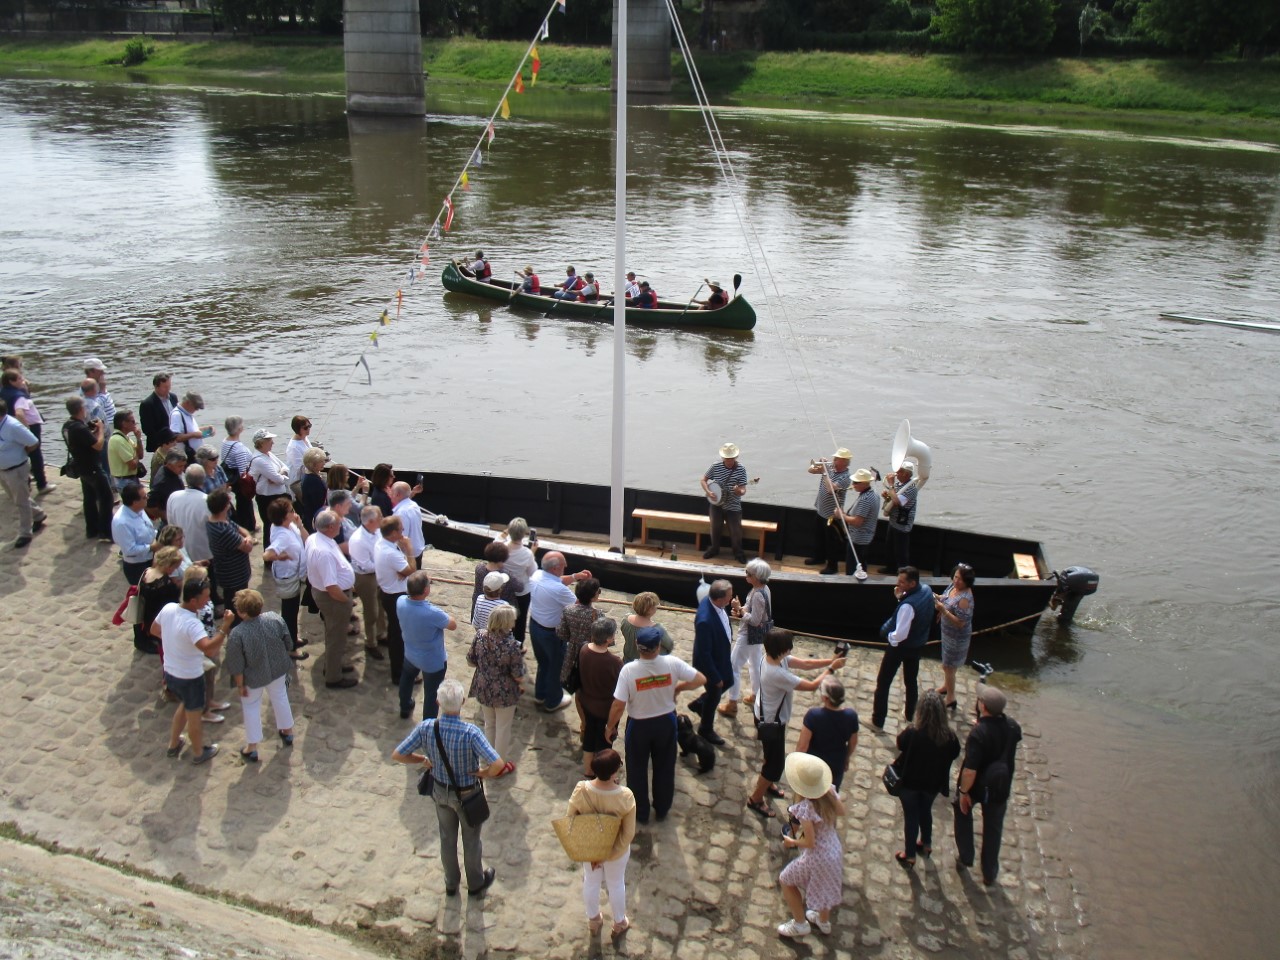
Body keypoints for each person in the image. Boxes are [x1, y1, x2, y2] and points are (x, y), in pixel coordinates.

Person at [391, 679, 505, 897]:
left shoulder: (427, 727)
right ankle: (475, 884)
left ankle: (451, 883)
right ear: (462, 702)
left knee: (447, 838)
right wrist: (483, 773)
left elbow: (398, 754)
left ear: (438, 702)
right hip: (468, 794)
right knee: (471, 842)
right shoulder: (471, 732)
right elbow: (498, 764)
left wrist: (422, 759)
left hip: (441, 791)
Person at [606, 626, 704, 824]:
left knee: (636, 769)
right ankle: (662, 807)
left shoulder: (629, 670)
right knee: (665, 766)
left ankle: (640, 812)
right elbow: (700, 679)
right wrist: (679, 687)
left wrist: (610, 726)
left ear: (637, 645)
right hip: (665, 721)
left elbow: (618, 704)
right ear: (658, 646)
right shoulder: (672, 663)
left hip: (639, 724)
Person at [746, 629, 845, 819]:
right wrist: (831, 669)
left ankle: (768, 783)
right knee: (775, 764)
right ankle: (756, 798)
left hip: (765, 713)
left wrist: (830, 661)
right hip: (772, 721)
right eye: (788, 648)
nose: (791, 650)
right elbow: (811, 686)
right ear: (782, 650)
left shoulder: (771, 658)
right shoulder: (776, 674)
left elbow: (806, 663)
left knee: (770, 756)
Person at [153, 575, 232, 765]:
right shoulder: (192, 624)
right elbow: (210, 648)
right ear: (193, 600)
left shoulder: (169, 609)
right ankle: (198, 752)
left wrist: (176, 643)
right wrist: (225, 627)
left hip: (171, 673)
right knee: (194, 715)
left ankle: (173, 744)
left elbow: (155, 630)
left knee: (185, 706)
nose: (208, 599)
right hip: (190, 676)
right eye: (205, 597)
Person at [955, 683, 1022, 886]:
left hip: (977, 787)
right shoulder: (1013, 727)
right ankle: (989, 873)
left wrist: (963, 791)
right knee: (993, 829)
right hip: (1000, 787)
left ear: (983, 706)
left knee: (962, 812)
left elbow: (969, 771)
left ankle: (966, 856)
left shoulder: (979, 735)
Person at [567, 749, 637, 939]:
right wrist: (608, 854)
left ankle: (593, 919)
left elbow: (570, 819)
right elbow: (628, 833)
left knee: (590, 881)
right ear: (615, 772)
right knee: (616, 884)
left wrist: (594, 852)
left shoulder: (581, 789)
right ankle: (619, 922)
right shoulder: (625, 796)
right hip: (616, 851)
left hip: (590, 848)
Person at [776, 752, 846, 939]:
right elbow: (841, 811)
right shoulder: (830, 792)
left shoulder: (807, 808)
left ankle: (799, 924)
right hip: (834, 850)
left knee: (785, 880)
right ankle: (823, 922)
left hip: (817, 856)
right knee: (826, 885)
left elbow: (810, 842)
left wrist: (792, 841)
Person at [224, 588, 296, 762]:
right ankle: (287, 731)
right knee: (280, 697)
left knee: (251, 707)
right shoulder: (274, 618)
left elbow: (236, 664)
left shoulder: (237, 634)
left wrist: (240, 685)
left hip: (253, 677)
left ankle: (252, 747)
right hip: (277, 669)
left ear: (240, 612)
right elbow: (289, 642)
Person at [893, 691, 960, 868]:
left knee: (911, 816)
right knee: (925, 810)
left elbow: (900, 743)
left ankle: (909, 854)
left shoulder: (913, 733)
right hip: (933, 784)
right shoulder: (950, 737)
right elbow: (955, 753)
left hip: (910, 782)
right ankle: (926, 842)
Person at [870, 565, 934, 730]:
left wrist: (890, 638)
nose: (898, 584)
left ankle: (878, 721)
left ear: (912, 584)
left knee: (883, 682)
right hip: (917, 644)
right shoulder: (926, 590)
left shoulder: (908, 606)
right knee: (911, 681)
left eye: (902, 582)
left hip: (900, 647)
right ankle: (909, 714)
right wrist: (900, 598)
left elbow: (900, 634)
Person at [528, 551, 592, 713]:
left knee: (543, 663)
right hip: (552, 634)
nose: (566, 566)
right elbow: (578, 605)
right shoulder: (558, 590)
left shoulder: (536, 575)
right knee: (557, 666)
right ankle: (553, 701)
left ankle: (540, 694)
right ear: (556, 568)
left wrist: (575, 577)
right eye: (564, 565)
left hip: (535, 626)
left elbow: (556, 580)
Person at [465, 603, 522, 773]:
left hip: (483, 686)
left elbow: (470, 660)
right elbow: (517, 675)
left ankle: (488, 761)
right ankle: (498, 766)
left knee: (489, 724)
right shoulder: (513, 645)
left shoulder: (480, 635)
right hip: (504, 692)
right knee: (503, 728)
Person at [306, 509, 357, 689]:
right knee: (337, 636)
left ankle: (333, 664)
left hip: (328, 595)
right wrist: (346, 600)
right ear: (329, 527)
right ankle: (334, 677)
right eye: (338, 523)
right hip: (333, 598)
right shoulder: (324, 552)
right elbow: (331, 587)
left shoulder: (316, 538)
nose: (341, 525)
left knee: (333, 633)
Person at [398, 570, 457, 720]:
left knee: (406, 679)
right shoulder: (432, 613)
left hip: (410, 653)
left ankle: (405, 706)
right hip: (432, 660)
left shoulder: (400, 601)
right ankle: (428, 724)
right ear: (426, 590)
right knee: (431, 694)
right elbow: (453, 625)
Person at [689, 578, 739, 746]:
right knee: (715, 694)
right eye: (729, 596)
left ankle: (699, 703)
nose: (731, 599)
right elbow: (704, 653)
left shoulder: (712, 602)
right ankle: (705, 728)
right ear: (719, 599)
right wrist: (715, 677)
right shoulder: (705, 621)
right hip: (709, 664)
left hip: (720, 656)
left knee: (729, 681)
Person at [718, 559, 771, 715]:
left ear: (756, 576)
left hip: (749, 635)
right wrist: (742, 608)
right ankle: (756, 694)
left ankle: (732, 703)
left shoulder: (758, 595)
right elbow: (755, 611)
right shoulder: (763, 589)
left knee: (733, 667)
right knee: (755, 664)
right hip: (758, 635)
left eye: (749, 573)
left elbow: (755, 620)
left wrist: (739, 611)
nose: (746, 575)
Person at [61, 396, 114, 541]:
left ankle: (92, 529)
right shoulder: (79, 428)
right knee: (106, 498)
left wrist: (91, 429)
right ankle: (106, 531)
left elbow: (81, 441)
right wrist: (101, 430)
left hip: (81, 467)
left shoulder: (67, 426)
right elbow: (98, 445)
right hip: (93, 468)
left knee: (89, 499)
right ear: (81, 409)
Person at [261, 498, 308, 657]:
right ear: (284, 516)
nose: (294, 512)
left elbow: (305, 539)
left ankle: (292, 637)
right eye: (291, 511)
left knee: (291, 611)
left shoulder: (286, 526)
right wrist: (279, 557)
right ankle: (291, 648)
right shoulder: (282, 534)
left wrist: (299, 524)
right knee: (290, 612)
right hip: (288, 577)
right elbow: (267, 555)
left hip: (293, 575)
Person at [796, 673, 859, 792]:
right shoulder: (851, 716)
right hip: (836, 764)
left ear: (825, 698)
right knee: (830, 797)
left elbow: (802, 746)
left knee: (808, 794)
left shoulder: (814, 715)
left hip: (814, 764)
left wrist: (797, 764)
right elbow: (853, 742)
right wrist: (846, 758)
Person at [578, 618, 623, 777]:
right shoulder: (615, 662)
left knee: (589, 735)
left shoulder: (583, 649)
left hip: (587, 703)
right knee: (605, 742)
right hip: (605, 709)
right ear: (609, 639)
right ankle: (605, 773)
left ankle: (588, 770)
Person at [0, 397, 46, 549]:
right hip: (3, 469)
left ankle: (25, 533)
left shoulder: (13, 426)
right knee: (17, 497)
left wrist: (22, 453)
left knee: (21, 501)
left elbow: (33, 442)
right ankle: (38, 513)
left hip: (16, 468)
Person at [0, 369, 53, 496]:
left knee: (21, 454)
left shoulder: (3, 392)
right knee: (35, 455)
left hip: (9, 426)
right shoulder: (18, 395)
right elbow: (19, 412)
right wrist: (26, 430)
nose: (22, 380)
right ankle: (42, 484)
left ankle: (25, 484)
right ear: (11, 381)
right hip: (28, 427)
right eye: (19, 379)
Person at [375, 515, 414, 684]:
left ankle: (398, 667)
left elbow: (404, 571)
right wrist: (409, 551)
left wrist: (402, 569)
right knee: (398, 636)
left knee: (395, 632)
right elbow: (412, 571)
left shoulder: (381, 544)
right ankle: (398, 674)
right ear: (392, 533)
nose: (403, 532)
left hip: (388, 592)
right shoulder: (391, 553)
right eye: (400, 530)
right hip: (396, 596)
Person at [558, 578, 604, 722]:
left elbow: (562, 634)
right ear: (593, 596)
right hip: (591, 655)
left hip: (572, 653)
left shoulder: (568, 610)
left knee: (578, 689)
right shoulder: (598, 616)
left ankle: (583, 722)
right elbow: (604, 642)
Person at [348, 504, 387, 661]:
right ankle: (370, 643)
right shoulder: (358, 540)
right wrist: (385, 563)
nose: (382, 520)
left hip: (377, 574)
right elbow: (366, 565)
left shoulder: (376, 531)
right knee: (371, 611)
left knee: (381, 606)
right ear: (371, 521)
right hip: (365, 577)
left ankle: (381, 634)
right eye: (380, 518)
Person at [165, 465, 213, 594]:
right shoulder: (206, 500)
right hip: (203, 550)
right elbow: (213, 526)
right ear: (203, 481)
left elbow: (170, 522)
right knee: (206, 580)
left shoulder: (173, 496)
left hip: (180, 549)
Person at [205, 489, 255, 613]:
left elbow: (239, 528)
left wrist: (247, 537)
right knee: (237, 605)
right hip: (234, 575)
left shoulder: (216, 520)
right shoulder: (223, 530)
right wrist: (249, 538)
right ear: (225, 506)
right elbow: (247, 547)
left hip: (227, 572)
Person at [804, 449, 852, 575]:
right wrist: (819, 464)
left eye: (837, 459)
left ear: (844, 462)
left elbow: (831, 489)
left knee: (831, 542)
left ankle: (832, 566)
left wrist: (825, 472)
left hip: (832, 514)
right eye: (834, 458)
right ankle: (818, 557)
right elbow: (810, 470)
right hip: (821, 509)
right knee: (818, 536)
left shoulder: (846, 477)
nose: (834, 460)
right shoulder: (830, 468)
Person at [935, 563, 975, 710]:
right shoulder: (953, 587)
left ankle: (951, 697)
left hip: (957, 637)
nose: (957, 581)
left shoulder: (965, 598)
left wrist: (943, 611)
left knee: (948, 666)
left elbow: (961, 623)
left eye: (961, 579)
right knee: (948, 665)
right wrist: (938, 598)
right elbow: (946, 598)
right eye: (956, 577)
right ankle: (946, 686)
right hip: (947, 633)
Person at [700, 442, 748, 563]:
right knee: (715, 528)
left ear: (735, 457)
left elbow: (743, 490)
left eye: (731, 458)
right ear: (723, 457)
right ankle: (714, 549)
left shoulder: (741, 469)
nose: (729, 461)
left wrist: (738, 491)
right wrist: (708, 491)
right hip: (716, 504)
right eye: (727, 458)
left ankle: (738, 553)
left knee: (735, 530)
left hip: (733, 505)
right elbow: (703, 480)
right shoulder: (715, 466)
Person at [247, 429, 289, 551]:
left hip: (277, 494)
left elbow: (285, 468)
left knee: (280, 525)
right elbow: (279, 479)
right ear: (261, 443)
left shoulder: (269, 455)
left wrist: (280, 473)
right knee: (270, 526)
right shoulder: (259, 459)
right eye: (269, 440)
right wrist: (279, 476)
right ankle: (269, 554)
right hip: (267, 498)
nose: (273, 442)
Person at [137, 545, 183, 656]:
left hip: (148, 616)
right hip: (161, 620)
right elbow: (174, 604)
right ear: (168, 566)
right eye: (175, 567)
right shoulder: (165, 584)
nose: (174, 570)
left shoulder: (147, 572)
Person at [835, 468, 879, 575]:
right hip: (863, 538)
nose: (853, 484)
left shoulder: (866, 499)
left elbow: (857, 522)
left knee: (853, 568)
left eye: (856, 482)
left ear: (864, 483)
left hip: (859, 540)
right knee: (861, 565)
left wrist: (841, 516)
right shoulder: (873, 495)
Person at [111, 481, 157, 584]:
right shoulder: (122, 523)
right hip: (137, 566)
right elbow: (129, 550)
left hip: (150, 558)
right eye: (144, 497)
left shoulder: (139, 509)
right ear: (135, 502)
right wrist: (151, 547)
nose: (147, 498)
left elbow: (148, 529)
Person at [501, 517, 537, 643]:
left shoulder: (502, 547)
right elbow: (532, 572)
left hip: (504, 588)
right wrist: (533, 552)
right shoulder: (527, 554)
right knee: (520, 622)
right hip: (522, 592)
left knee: (504, 618)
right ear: (524, 534)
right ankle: (518, 646)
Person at [881, 460, 920, 572]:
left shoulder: (911, 488)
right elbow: (892, 499)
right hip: (893, 521)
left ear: (906, 474)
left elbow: (898, 502)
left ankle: (902, 573)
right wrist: (886, 496)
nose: (897, 472)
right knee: (890, 548)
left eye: (900, 471)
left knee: (901, 552)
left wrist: (891, 485)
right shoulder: (899, 485)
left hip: (902, 525)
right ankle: (890, 568)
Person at [219, 416, 256, 531]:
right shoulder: (238, 448)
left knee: (241, 503)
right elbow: (242, 471)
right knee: (245, 503)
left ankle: (244, 524)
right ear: (238, 428)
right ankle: (248, 526)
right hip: (239, 479)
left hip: (230, 474)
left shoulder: (226, 441)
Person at [619, 591, 672, 664]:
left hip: (629, 660)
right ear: (651, 610)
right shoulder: (658, 630)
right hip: (649, 664)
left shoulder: (625, 620)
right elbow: (669, 646)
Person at [471, 541, 519, 611]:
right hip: (500, 611)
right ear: (501, 560)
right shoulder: (506, 575)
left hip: (480, 607)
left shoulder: (479, 568)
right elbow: (520, 588)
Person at [145, 449, 188, 522]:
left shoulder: (171, 472)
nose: (183, 469)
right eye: (180, 466)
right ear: (169, 465)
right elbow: (150, 505)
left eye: (184, 466)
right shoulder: (162, 482)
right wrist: (167, 517)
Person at [139, 373, 178, 452]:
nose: (168, 389)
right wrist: (164, 443)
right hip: (160, 446)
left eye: (169, 386)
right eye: (165, 387)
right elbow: (147, 429)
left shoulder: (173, 397)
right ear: (156, 387)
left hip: (176, 441)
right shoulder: (147, 404)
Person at [390, 481, 426, 567]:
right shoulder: (414, 505)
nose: (390, 494)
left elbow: (402, 538)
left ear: (397, 495)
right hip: (418, 547)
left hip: (408, 555)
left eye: (391, 492)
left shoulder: (401, 513)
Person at [107, 409, 144, 491]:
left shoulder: (125, 438)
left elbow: (141, 455)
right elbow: (133, 465)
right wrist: (136, 455)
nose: (135, 423)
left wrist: (138, 439)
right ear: (124, 424)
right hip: (125, 481)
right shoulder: (118, 440)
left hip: (131, 478)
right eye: (133, 421)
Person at [169, 392, 209, 462]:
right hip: (186, 457)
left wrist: (205, 429)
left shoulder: (188, 413)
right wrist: (194, 435)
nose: (197, 410)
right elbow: (175, 437)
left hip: (195, 455)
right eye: (196, 407)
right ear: (187, 403)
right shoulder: (177, 415)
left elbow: (187, 430)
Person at [297, 447, 329, 532]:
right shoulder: (313, 480)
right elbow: (318, 502)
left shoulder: (308, 475)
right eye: (321, 461)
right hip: (315, 516)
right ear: (313, 464)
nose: (324, 463)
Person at [284, 415, 314, 501]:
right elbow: (300, 467)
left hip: (309, 475)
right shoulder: (293, 447)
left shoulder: (305, 438)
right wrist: (315, 463)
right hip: (298, 480)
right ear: (298, 429)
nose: (308, 429)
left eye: (309, 426)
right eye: (305, 428)